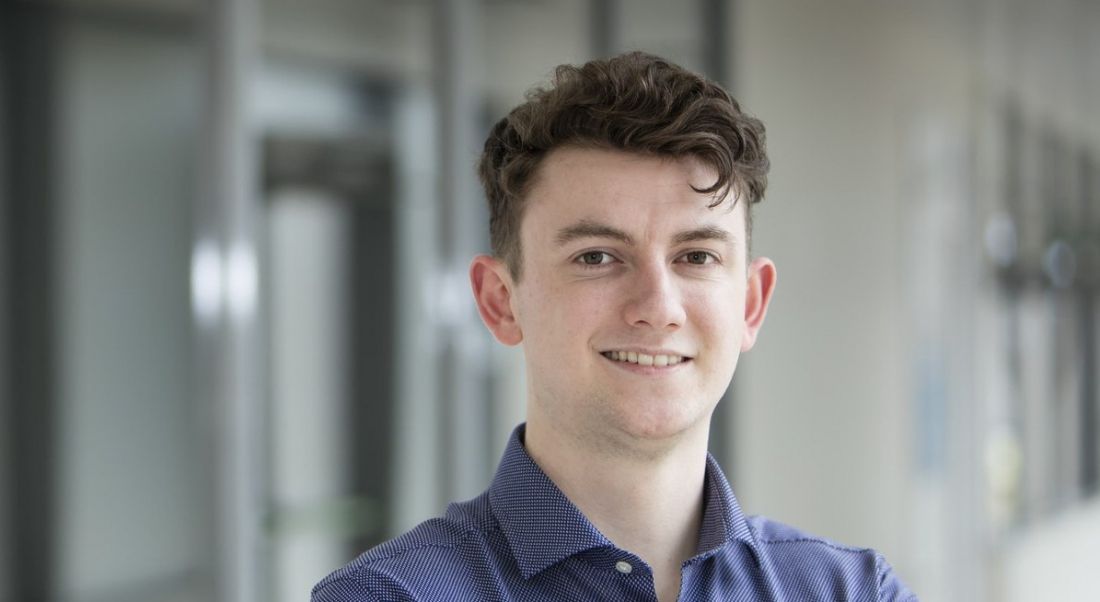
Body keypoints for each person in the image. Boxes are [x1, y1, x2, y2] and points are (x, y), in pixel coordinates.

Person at [312, 51, 917, 602]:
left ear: (751, 305)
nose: (657, 306)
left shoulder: (853, 592)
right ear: (501, 302)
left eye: (697, 257)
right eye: (597, 256)